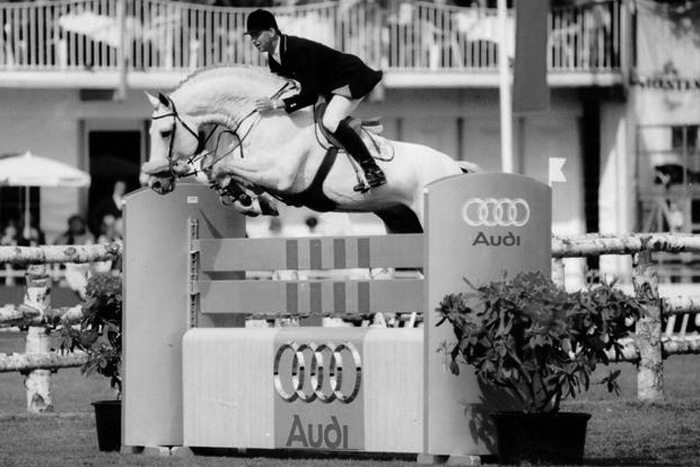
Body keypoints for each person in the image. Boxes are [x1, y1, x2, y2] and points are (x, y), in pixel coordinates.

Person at [245, 8, 387, 193]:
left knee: (331, 121)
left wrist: (274, 104)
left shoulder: (297, 49)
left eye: (257, 34)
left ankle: (372, 168)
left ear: (271, 31)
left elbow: (310, 95)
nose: (253, 40)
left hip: (350, 79)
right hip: (329, 88)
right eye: (251, 36)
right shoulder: (274, 60)